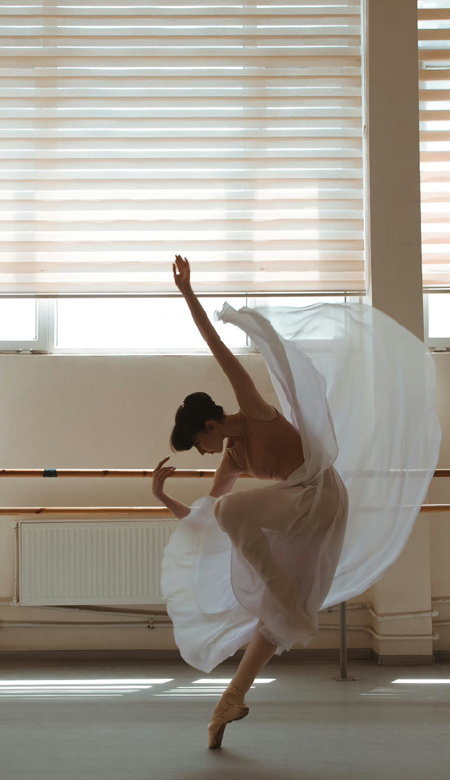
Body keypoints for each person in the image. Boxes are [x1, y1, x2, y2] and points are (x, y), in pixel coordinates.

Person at [153, 255, 350, 749]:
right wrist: (162, 497)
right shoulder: (234, 459)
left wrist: (188, 294)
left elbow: (218, 348)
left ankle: (281, 595)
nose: (203, 453)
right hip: (300, 514)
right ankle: (230, 701)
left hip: (321, 496)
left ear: (211, 425)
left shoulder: (255, 413)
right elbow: (206, 517)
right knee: (274, 619)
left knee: (235, 516)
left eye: (199, 442)